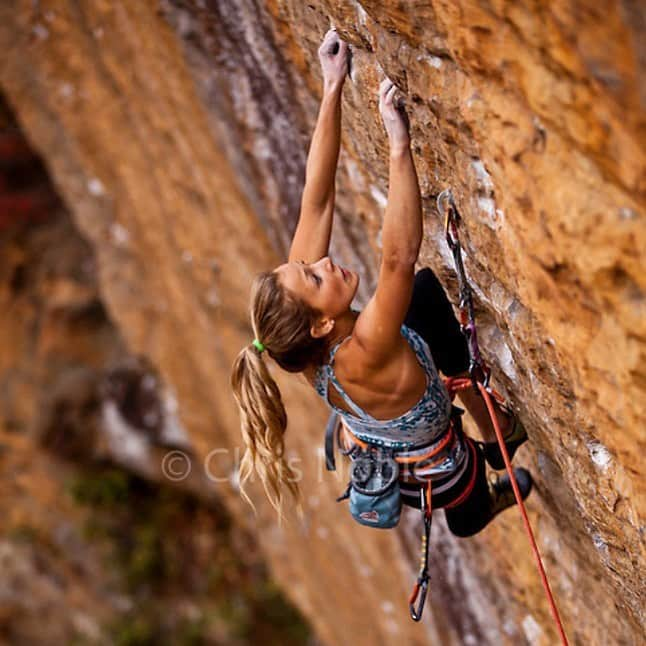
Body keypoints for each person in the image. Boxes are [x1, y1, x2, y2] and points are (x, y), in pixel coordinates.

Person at [231, 29, 530, 533]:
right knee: (417, 291)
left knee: (422, 299)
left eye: (307, 265)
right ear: (323, 323)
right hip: (430, 446)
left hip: (385, 426)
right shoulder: (365, 346)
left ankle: (497, 432)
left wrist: (332, 85)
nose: (323, 263)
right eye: (313, 276)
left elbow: (318, 199)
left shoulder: (302, 347)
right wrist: (398, 146)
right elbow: (397, 258)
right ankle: (475, 498)